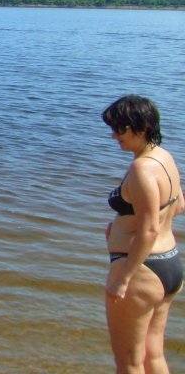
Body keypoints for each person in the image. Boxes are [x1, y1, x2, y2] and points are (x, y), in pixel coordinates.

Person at [103, 95, 184, 373]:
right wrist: (124, 223)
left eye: (120, 129)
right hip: (170, 265)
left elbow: (148, 230)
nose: (114, 135)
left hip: (140, 272)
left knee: (129, 362)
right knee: (153, 355)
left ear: (142, 127)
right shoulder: (164, 157)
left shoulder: (141, 169)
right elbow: (179, 205)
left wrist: (123, 279)